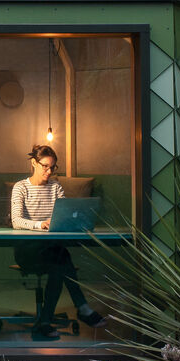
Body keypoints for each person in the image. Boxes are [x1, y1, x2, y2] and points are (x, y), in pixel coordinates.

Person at [9, 144, 108, 341]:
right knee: (62, 260)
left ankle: (45, 322)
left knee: (58, 263)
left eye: (52, 167)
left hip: (51, 249)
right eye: (45, 166)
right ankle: (82, 308)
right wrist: (40, 224)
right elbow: (16, 221)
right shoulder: (21, 187)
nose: (48, 171)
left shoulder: (55, 187)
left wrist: (74, 222)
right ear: (33, 163)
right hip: (27, 251)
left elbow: (65, 215)